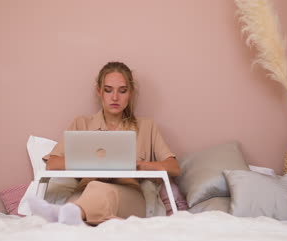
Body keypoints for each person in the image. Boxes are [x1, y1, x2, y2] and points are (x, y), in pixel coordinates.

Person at [28, 61, 187, 225]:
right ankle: (75, 216)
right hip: (85, 191)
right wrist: (94, 164)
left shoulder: (147, 127)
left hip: (129, 196)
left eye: (122, 91)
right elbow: (52, 164)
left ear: (130, 93)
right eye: (108, 90)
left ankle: (67, 215)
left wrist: (141, 165)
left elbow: (173, 167)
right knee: (88, 194)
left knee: (97, 192)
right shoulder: (81, 124)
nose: (115, 97)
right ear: (99, 91)